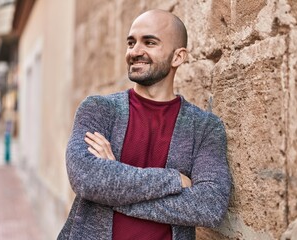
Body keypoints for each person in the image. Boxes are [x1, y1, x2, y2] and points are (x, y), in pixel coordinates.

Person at [58, 9, 231, 240]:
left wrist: (113, 186)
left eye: (149, 42)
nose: (135, 52)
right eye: (131, 43)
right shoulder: (99, 109)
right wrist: (174, 180)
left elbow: (210, 206)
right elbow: (85, 178)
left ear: (177, 57)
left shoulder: (204, 127)